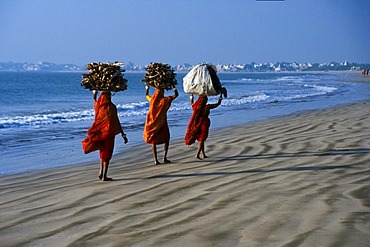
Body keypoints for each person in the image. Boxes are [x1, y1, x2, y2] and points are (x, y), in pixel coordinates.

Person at [82, 90, 128, 181]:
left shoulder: (98, 106)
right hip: (109, 134)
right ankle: (104, 175)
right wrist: (122, 134)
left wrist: (94, 94)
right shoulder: (112, 107)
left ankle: (100, 172)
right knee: (107, 154)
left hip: (100, 133)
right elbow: (117, 121)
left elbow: (94, 101)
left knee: (102, 153)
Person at [143, 85, 179, 165]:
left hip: (153, 123)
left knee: (154, 141)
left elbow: (146, 95)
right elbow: (176, 95)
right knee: (166, 139)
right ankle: (165, 157)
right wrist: (174, 88)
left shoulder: (152, 100)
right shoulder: (165, 100)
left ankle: (155, 159)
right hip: (162, 123)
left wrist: (147, 89)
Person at [184, 94, 223, 160]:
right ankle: (197, 154)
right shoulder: (207, 107)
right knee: (202, 139)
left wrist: (191, 96)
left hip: (197, 123)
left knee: (201, 139)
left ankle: (203, 154)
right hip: (204, 123)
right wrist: (220, 97)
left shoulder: (196, 107)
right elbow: (217, 104)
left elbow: (192, 103)